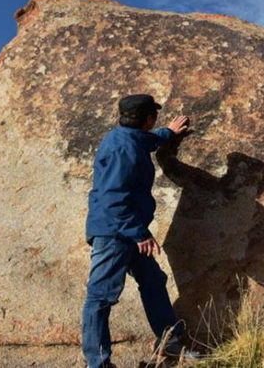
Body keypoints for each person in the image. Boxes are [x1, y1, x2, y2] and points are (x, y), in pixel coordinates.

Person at [82, 94, 197, 367]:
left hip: (128, 231)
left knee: (153, 282)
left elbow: (146, 140)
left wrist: (167, 133)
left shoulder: (128, 138)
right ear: (148, 118)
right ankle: (97, 363)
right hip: (115, 232)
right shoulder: (124, 149)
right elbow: (113, 198)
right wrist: (139, 233)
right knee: (100, 297)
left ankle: (169, 344)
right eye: (154, 117)